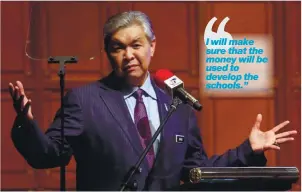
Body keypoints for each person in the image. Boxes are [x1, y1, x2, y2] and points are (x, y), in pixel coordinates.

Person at [9, 11, 297, 191]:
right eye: (118, 47)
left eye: (136, 45)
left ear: (152, 47)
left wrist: (248, 150)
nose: (128, 55)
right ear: (108, 53)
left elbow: (196, 169)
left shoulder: (178, 105)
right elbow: (49, 155)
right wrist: (26, 123)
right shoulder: (85, 101)